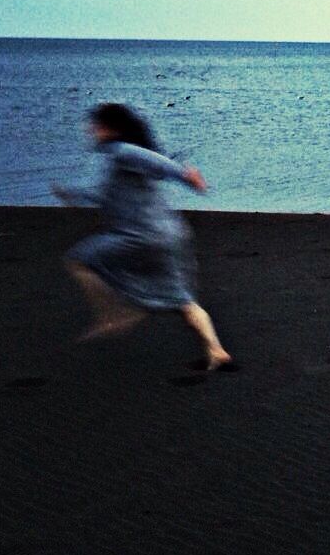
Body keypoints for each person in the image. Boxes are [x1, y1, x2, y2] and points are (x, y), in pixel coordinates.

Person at [52, 103, 232, 370]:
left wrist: (185, 177)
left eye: (96, 125)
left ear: (111, 129)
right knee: (181, 299)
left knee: (79, 259)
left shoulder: (124, 152)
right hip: (170, 234)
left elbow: (156, 163)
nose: (90, 130)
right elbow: (107, 196)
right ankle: (216, 352)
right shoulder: (119, 159)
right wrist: (73, 194)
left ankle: (115, 313)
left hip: (142, 236)